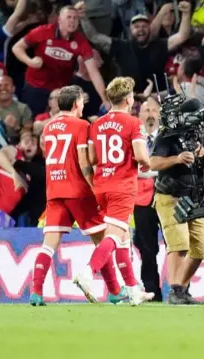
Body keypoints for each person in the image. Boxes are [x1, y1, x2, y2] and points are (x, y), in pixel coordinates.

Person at [31, 85, 129, 306]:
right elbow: (85, 161)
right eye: (82, 102)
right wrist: (96, 188)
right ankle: (115, 291)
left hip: (54, 191)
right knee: (102, 241)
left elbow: (49, 154)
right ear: (76, 104)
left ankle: (36, 292)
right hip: (78, 191)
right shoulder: (82, 125)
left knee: (48, 245)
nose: (83, 105)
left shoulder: (48, 127)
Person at [74, 77, 154, 306]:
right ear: (129, 99)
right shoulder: (133, 123)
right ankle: (88, 273)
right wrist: (146, 163)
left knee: (123, 237)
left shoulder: (96, 124)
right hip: (123, 187)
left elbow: (92, 158)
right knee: (114, 236)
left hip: (101, 185)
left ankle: (132, 289)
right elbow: (140, 156)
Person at [150, 98, 204, 305]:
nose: (202, 122)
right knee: (179, 244)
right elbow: (153, 163)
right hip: (170, 196)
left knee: (200, 249)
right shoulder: (167, 133)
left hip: (195, 196)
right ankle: (174, 290)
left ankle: (181, 289)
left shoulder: (201, 134)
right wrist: (177, 159)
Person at [133, 98, 163, 302]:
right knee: (147, 247)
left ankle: (180, 288)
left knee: (176, 245)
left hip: (168, 196)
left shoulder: (167, 136)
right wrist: (161, 167)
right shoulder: (134, 138)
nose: (150, 113)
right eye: (146, 110)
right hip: (142, 198)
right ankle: (152, 290)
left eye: (154, 109)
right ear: (139, 115)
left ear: (160, 114)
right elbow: (135, 168)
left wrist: (150, 169)